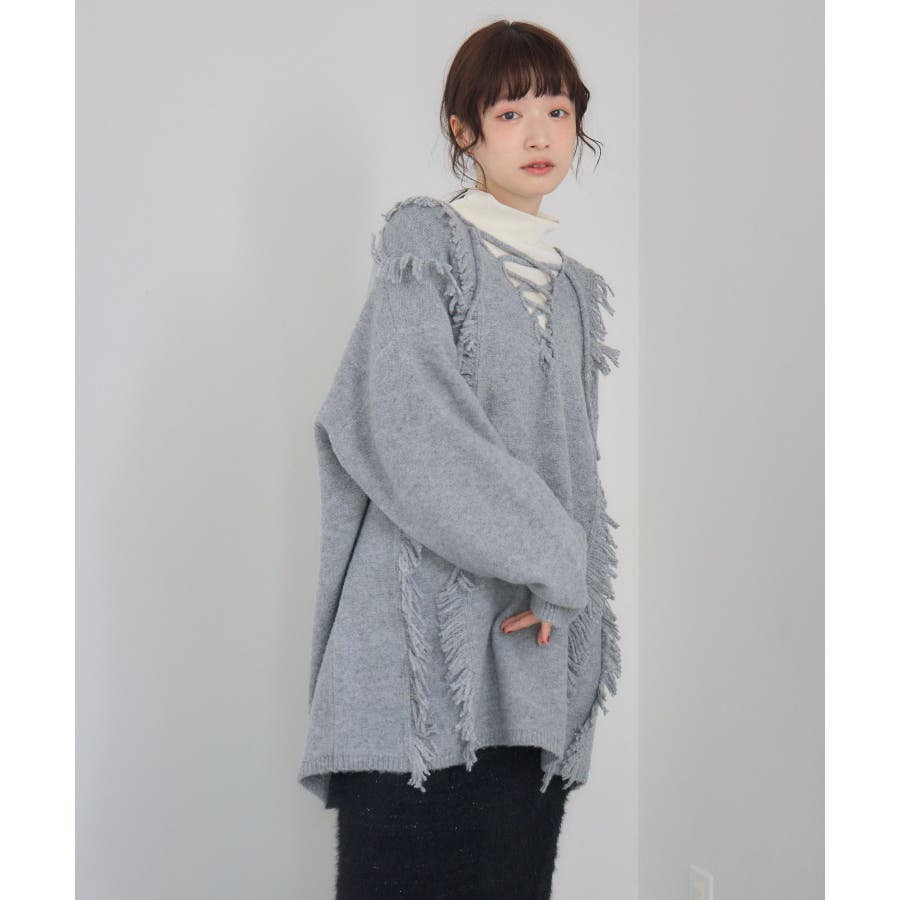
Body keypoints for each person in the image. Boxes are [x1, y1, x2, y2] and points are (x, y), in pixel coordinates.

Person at [297, 18, 623, 899]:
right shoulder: (427, 243)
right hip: (416, 663)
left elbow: (574, 477)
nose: (539, 133)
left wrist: (569, 600)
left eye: (557, 110)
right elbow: (408, 431)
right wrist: (558, 560)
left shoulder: (574, 289)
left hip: (530, 658)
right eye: (510, 112)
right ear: (464, 130)